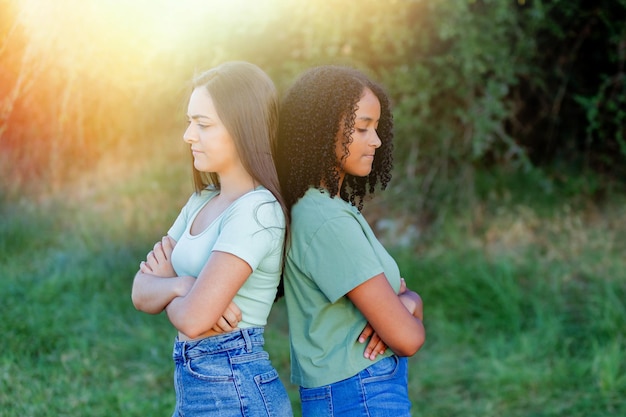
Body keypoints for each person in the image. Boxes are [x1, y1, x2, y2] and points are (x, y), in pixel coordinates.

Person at [131, 61, 293, 417]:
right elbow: (139, 292)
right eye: (190, 122)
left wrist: (172, 285)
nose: (189, 135)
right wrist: (186, 286)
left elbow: (192, 319)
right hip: (202, 386)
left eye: (203, 124)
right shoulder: (201, 201)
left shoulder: (257, 211)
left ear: (243, 129)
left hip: (236, 388)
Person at [275, 65, 425, 416]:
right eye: (362, 128)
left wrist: (408, 303)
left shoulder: (328, 208)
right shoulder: (325, 220)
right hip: (358, 396)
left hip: (358, 392)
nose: (376, 140)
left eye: (376, 127)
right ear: (321, 131)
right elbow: (408, 339)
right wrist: (406, 305)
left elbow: (402, 324)